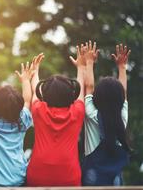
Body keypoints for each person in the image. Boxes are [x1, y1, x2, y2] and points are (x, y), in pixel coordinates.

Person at [26, 48, 85, 186]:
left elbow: (35, 89)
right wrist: (81, 68)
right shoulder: (77, 112)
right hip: (69, 178)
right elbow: (81, 91)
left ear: (45, 95)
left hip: (37, 176)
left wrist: (35, 71)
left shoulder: (38, 110)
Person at [82, 42, 131, 185]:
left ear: (98, 97)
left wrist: (89, 62)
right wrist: (122, 67)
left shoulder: (91, 115)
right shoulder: (122, 117)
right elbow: (124, 94)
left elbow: (89, 87)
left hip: (92, 180)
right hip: (115, 182)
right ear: (120, 99)